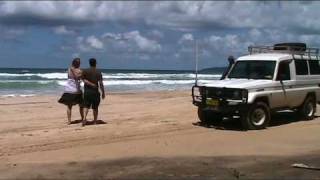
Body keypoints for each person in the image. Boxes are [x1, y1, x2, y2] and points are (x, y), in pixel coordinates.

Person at [58, 58, 84, 125]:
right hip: (76, 90)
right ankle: (82, 118)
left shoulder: (69, 69)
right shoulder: (79, 70)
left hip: (69, 89)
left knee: (70, 106)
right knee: (80, 105)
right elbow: (78, 77)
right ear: (78, 64)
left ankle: (70, 121)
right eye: (79, 63)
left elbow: (71, 77)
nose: (79, 64)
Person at [81, 58, 105, 126]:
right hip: (95, 92)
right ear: (95, 63)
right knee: (95, 107)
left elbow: (83, 79)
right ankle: (94, 121)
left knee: (86, 105)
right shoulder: (98, 72)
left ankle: (84, 118)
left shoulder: (85, 71)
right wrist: (103, 92)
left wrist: (89, 84)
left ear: (89, 63)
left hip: (87, 91)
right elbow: (101, 83)